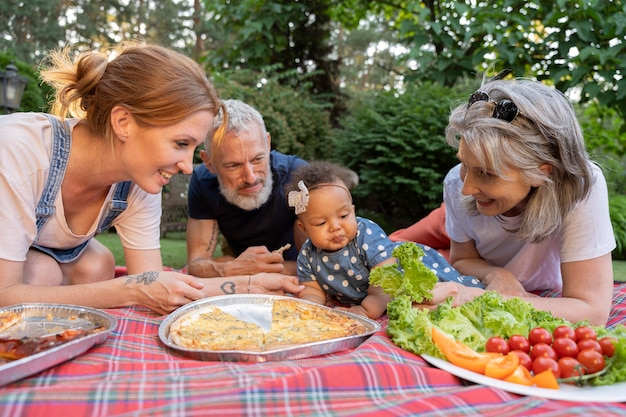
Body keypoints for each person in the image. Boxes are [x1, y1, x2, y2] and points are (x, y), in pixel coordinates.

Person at [0, 43, 302, 316]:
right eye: (181, 144)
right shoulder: (17, 151)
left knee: (97, 265)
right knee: (43, 273)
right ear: (123, 123)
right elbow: (5, 295)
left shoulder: (138, 183)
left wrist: (252, 284)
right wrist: (130, 289)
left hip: (41, 258)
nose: (187, 166)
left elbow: (155, 282)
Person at [417, 77, 616, 326]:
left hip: (546, 300)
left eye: (487, 173)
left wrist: (476, 300)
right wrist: (496, 274)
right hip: (485, 289)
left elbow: (592, 312)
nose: (466, 188)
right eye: (464, 165)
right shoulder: (455, 182)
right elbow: (461, 259)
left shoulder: (583, 187)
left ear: (542, 172)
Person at [186, 99, 308, 278]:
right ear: (209, 163)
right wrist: (231, 269)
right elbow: (196, 265)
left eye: (258, 159)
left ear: (267, 143)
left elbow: (331, 258)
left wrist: (255, 270)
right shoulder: (203, 182)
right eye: (233, 166)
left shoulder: (298, 176)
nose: (250, 178)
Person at [284, 161, 394, 319]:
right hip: (355, 299)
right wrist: (312, 307)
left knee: (422, 298)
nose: (335, 226)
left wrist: (365, 311)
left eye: (344, 216)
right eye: (321, 223)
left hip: (390, 290)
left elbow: (385, 282)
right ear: (304, 228)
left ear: (353, 211)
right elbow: (312, 289)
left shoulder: (366, 235)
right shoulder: (308, 254)